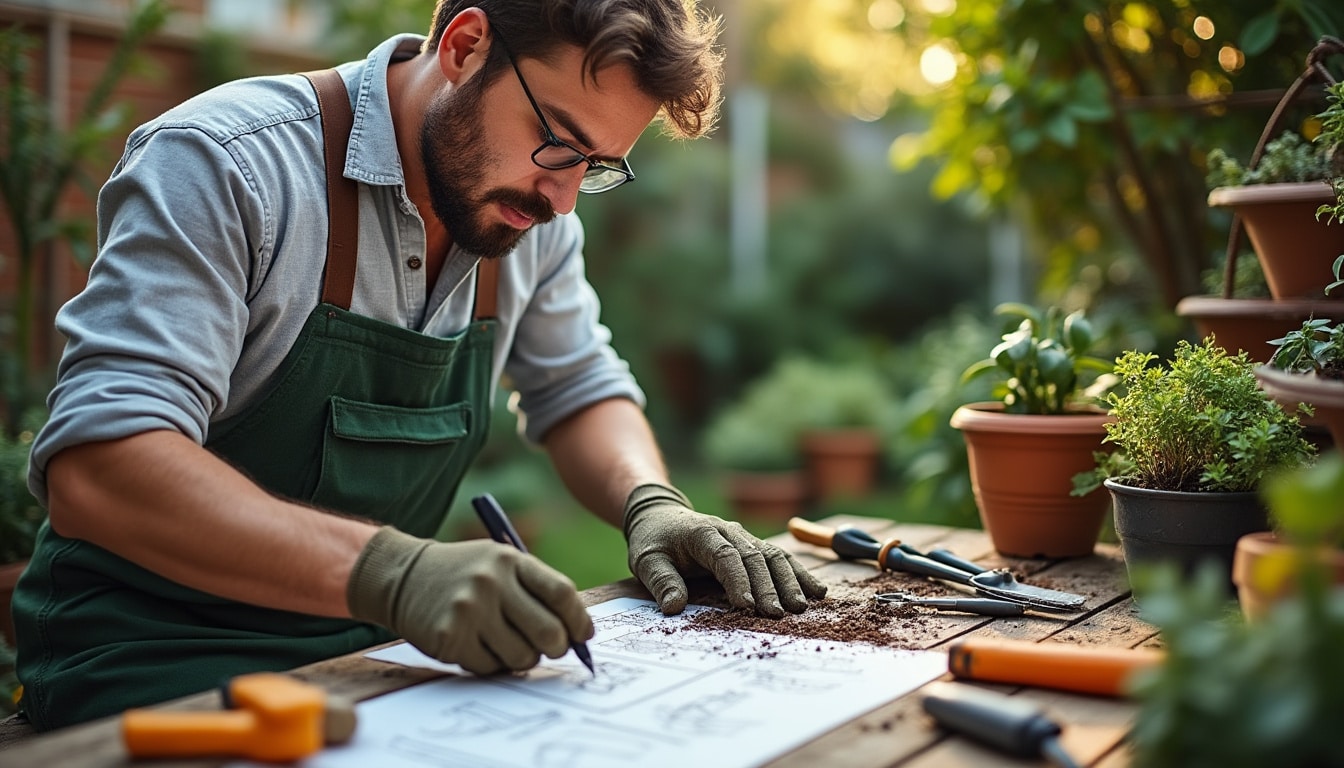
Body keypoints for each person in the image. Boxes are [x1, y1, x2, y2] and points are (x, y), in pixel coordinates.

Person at [11, 0, 830, 732]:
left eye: (598, 166)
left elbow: (578, 388)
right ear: (465, 46)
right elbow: (102, 466)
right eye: (557, 142)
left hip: (373, 663)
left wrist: (651, 503)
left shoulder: (527, 216)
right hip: (151, 664)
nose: (563, 199)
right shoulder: (226, 164)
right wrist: (395, 573)